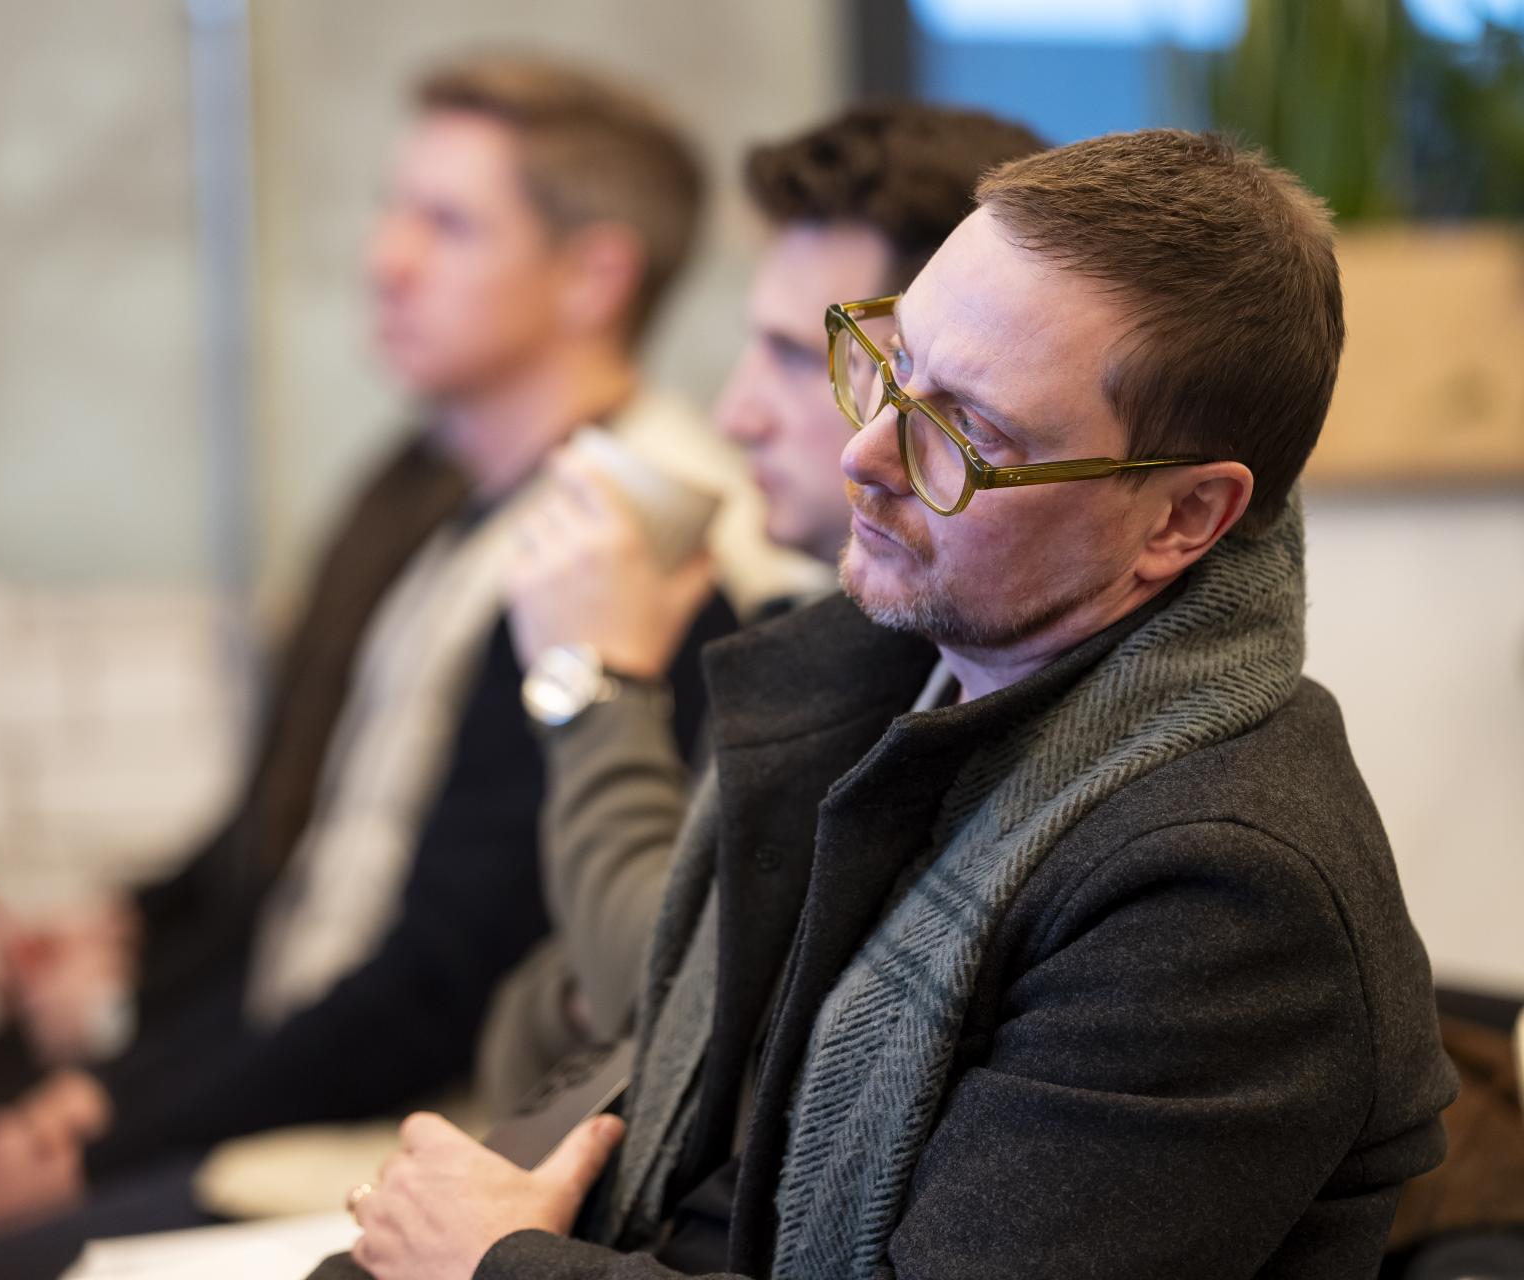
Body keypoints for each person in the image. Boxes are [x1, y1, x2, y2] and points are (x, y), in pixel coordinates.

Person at [332, 129, 1459, 1279]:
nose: (866, 451)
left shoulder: (1222, 894)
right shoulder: (888, 677)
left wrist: (498, 1261)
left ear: (1180, 519)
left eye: (967, 434)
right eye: (891, 356)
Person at [0, 55, 808, 1279]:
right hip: (287, 1072)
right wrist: (122, 1003)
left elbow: (444, 979)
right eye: (396, 209)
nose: (385, 257)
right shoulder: (448, 499)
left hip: (396, 1139)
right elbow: (291, 858)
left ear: (595, 273)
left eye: (446, 223)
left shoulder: (628, 548)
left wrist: (118, 1101)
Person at [476, 102, 1046, 1110]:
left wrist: (594, 683)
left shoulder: (949, 668)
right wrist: (592, 994)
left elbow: (673, 1015)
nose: (733, 412)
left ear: (939, 378)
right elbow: (591, 1004)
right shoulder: (814, 621)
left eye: (796, 356)